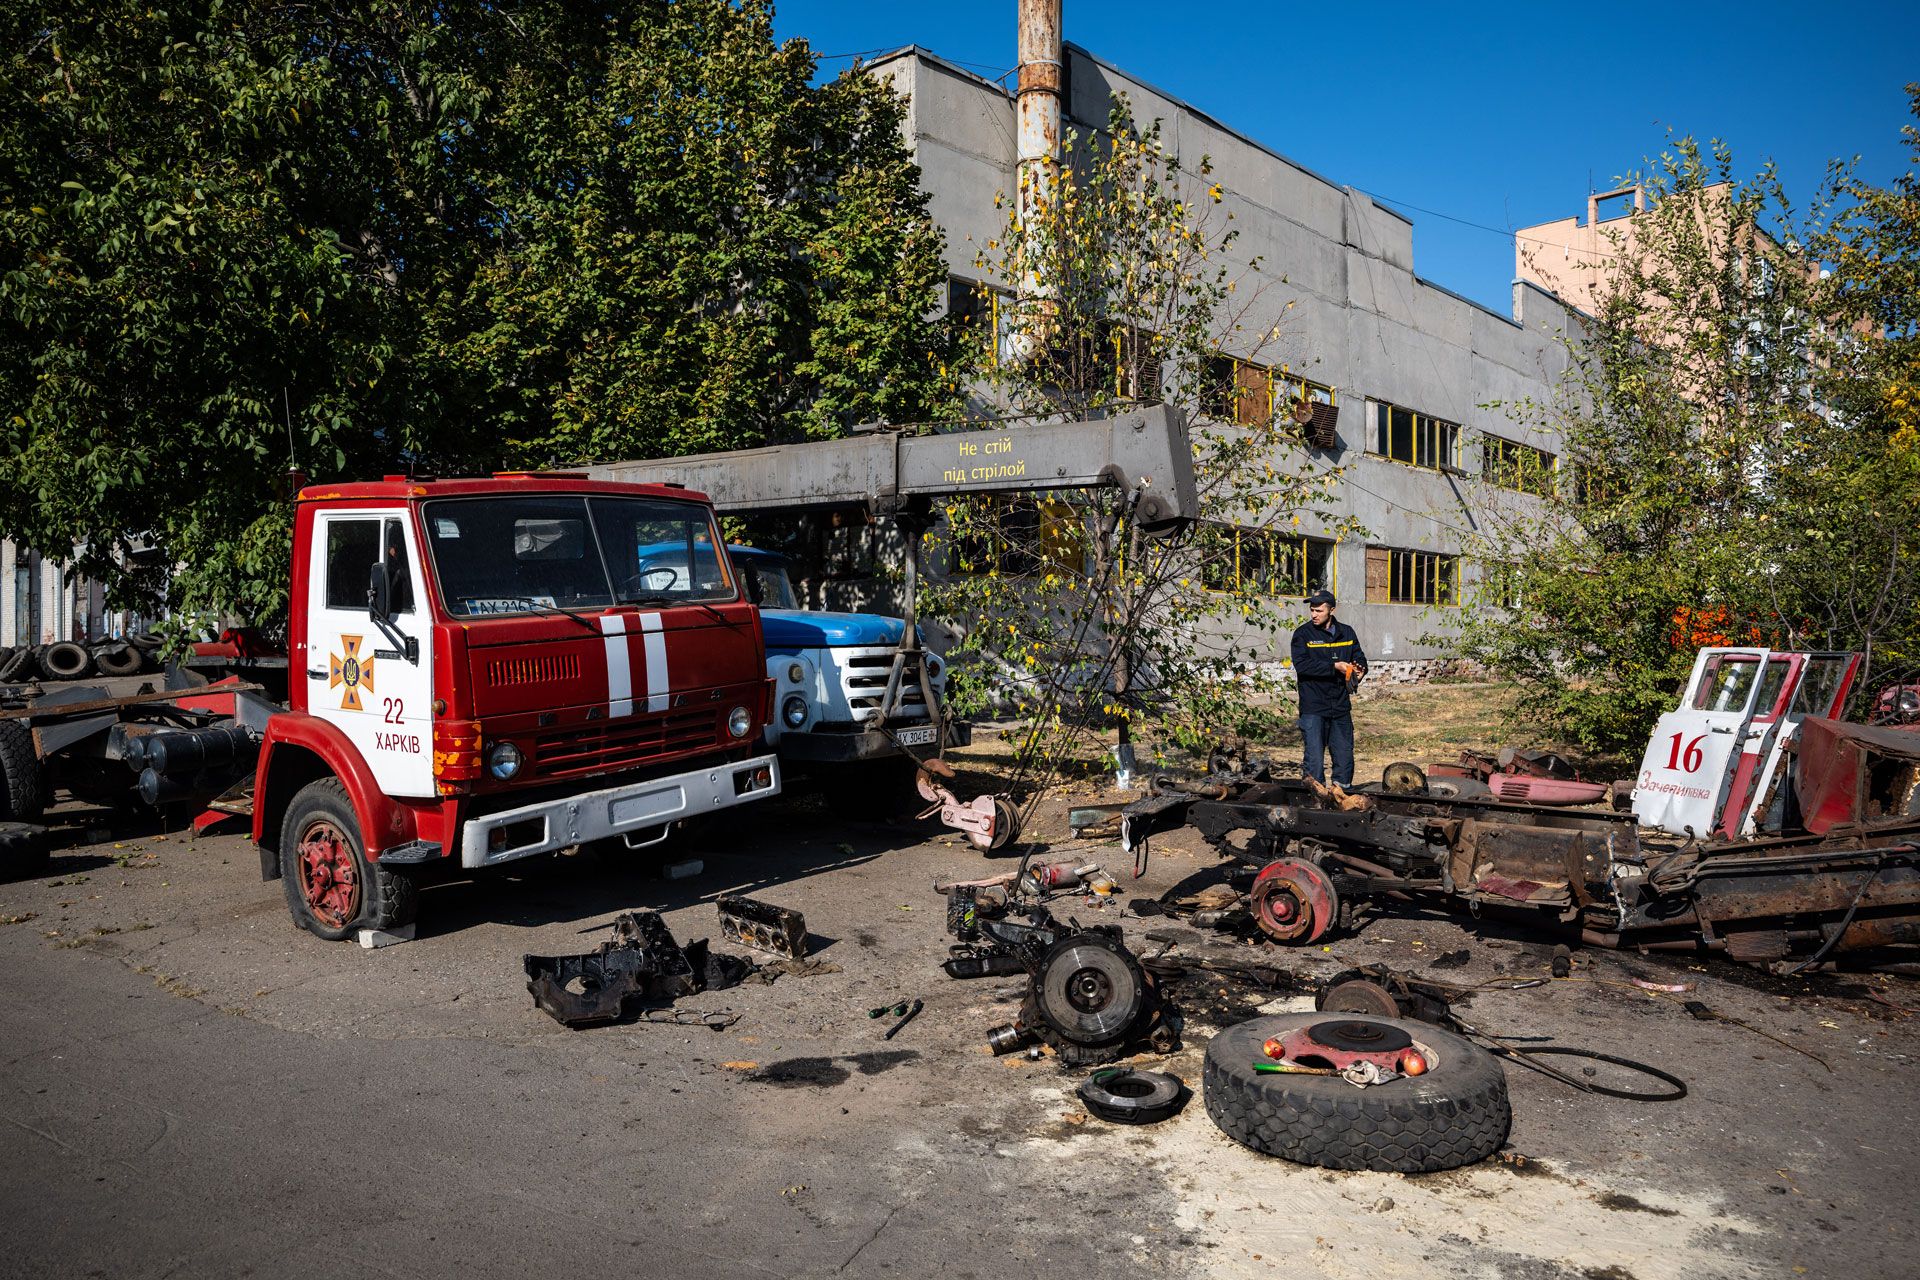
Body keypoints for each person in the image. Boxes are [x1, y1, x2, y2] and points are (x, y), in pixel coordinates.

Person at [1289, 589, 1368, 788]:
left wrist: (1360, 669)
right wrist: (1335, 666)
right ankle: (1315, 801)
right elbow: (1303, 665)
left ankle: (1342, 796)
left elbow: (1359, 657)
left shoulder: (1347, 632)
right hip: (1314, 706)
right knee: (1314, 759)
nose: (1314, 615)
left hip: (1340, 705)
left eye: (1319, 610)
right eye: (1312, 610)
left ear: (1331, 610)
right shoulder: (1303, 634)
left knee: (1344, 756)